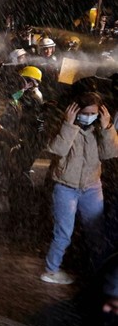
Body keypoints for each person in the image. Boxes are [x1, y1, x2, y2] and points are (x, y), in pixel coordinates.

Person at [41, 92, 118, 285]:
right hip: (66, 187)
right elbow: (56, 150)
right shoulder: (64, 125)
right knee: (64, 232)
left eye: (93, 113)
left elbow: (111, 153)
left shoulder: (100, 129)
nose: (88, 116)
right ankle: (51, 270)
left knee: (96, 231)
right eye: (84, 112)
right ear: (75, 110)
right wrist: (68, 125)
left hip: (92, 186)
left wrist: (107, 127)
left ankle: (99, 273)